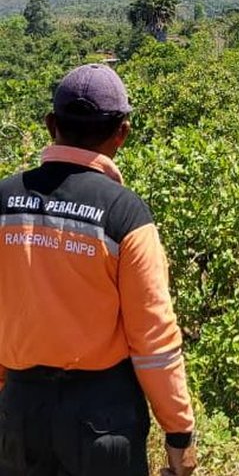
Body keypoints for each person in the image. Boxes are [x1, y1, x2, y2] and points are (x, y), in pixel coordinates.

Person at [0, 63, 197, 476]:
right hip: (103, 421)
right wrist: (179, 433)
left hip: (20, 413)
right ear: (121, 133)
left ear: (51, 123)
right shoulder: (125, 215)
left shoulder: (4, 201)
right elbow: (153, 338)